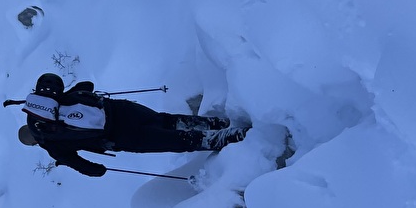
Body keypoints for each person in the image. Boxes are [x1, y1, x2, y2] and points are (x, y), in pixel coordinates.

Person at [15, 73, 248, 177]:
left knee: (176, 141)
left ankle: (231, 137)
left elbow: (87, 168)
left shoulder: (51, 143)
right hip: (122, 109)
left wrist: (99, 169)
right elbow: (87, 84)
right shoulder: (57, 102)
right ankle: (219, 123)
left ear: (35, 141)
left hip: (121, 137)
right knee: (166, 120)